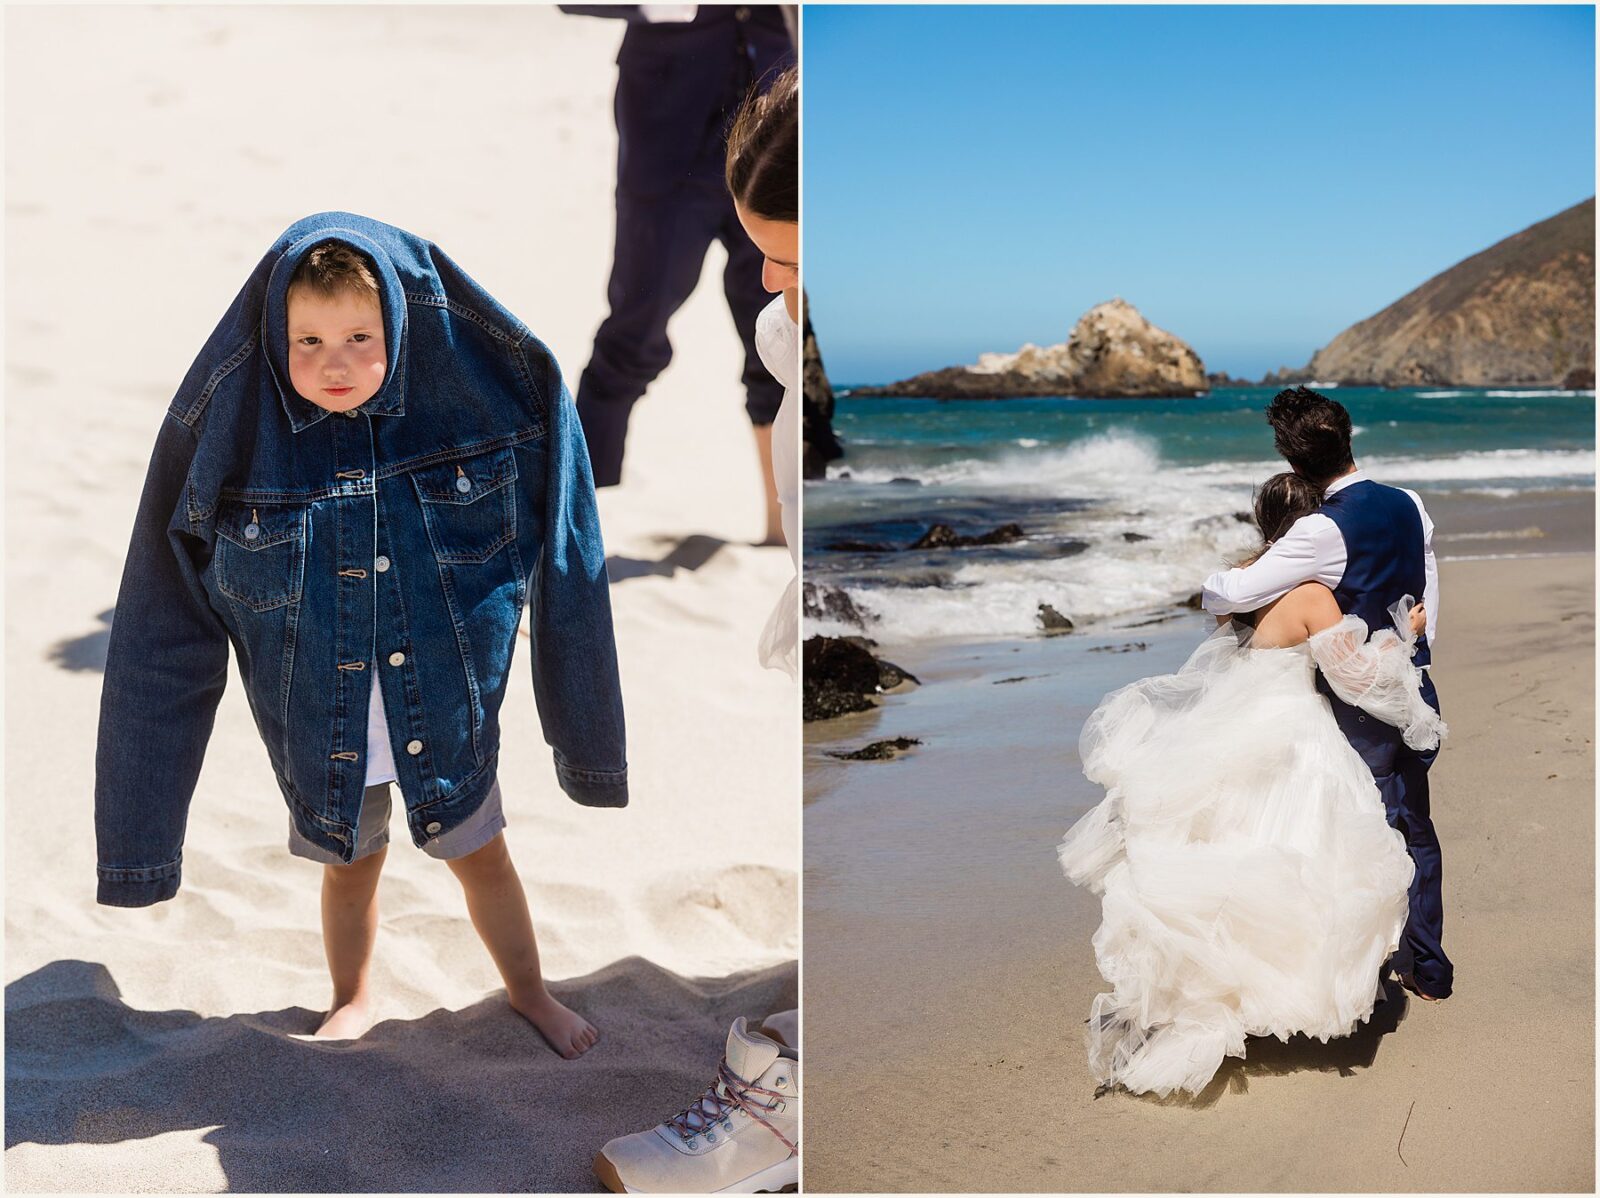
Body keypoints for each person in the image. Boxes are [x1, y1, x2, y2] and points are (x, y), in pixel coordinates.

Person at [94, 213, 628, 1059]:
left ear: (401, 332)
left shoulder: (484, 396)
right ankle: (353, 995)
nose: (333, 363)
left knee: (484, 860)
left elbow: (569, 558)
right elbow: (158, 634)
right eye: (306, 340)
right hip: (324, 739)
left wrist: (590, 745)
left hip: (447, 725)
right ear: (274, 336)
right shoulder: (223, 422)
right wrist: (139, 842)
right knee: (351, 872)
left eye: (358, 337)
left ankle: (530, 991)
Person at [1058, 470, 1445, 1097]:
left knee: (1235, 852)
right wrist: (1409, 635)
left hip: (1239, 724)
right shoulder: (1315, 595)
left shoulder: (1244, 585)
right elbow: (1357, 680)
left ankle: (1223, 993)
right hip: (1292, 730)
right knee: (1296, 858)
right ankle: (1271, 1000)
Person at [593, 67, 800, 1193]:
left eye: (795, 253)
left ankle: (786, 1120)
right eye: (756, 244)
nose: (767, 280)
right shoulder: (786, 327)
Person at [1201, 386, 1453, 1002]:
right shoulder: (1409, 503)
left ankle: (1355, 971)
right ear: (1347, 439)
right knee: (1414, 826)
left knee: (1362, 832)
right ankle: (1428, 965)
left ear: (1292, 463)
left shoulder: (1319, 530)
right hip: (1415, 690)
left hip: (1359, 705)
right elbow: (1427, 588)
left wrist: (1226, 580)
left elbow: (1227, 593)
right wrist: (1415, 647)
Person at [563, 5, 795, 544]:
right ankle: (571, 531)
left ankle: (783, 531)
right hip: (669, 136)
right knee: (634, 330)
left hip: (777, 133)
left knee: (780, 329)